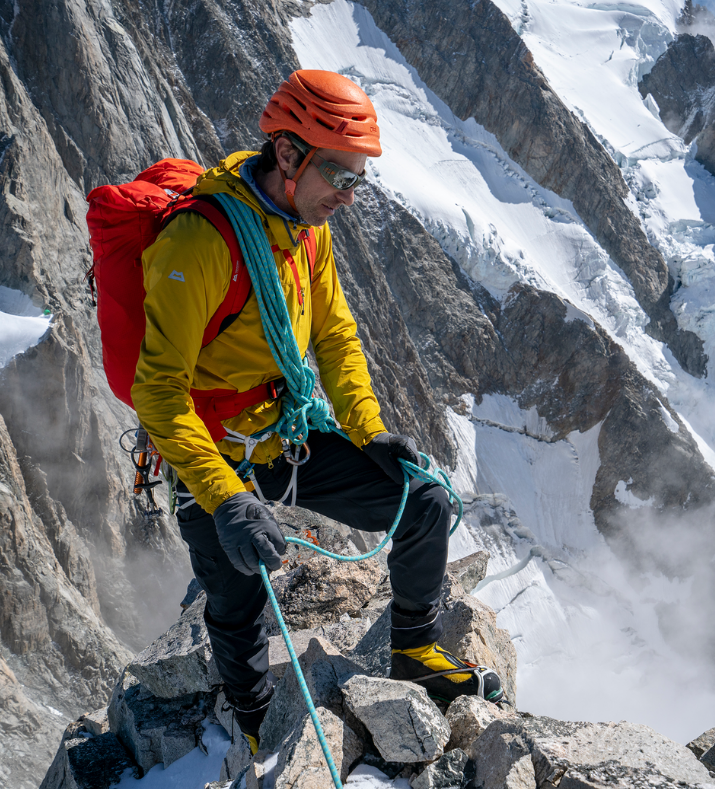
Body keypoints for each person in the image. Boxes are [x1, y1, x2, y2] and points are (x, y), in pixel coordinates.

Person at [131, 70, 503, 754]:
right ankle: (250, 724)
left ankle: (414, 650)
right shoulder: (197, 245)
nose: (349, 194)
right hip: (212, 456)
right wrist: (224, 499)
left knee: (419, 502)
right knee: (241, 596)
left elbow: (334, 334)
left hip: (285, 437)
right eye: (340, 174)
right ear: (287, 154)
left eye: (359, 180)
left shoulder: (306, 226)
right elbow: (157, 393)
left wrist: (369, 430)